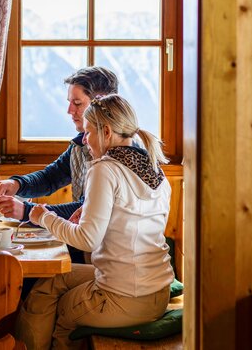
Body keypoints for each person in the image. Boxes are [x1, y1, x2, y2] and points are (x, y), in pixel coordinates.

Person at [15, 94, 174, 349]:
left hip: (125, 296)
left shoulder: (105, 168)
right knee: (53, 281)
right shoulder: (153, 167)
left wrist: (42, 216)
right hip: (157, 291)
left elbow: (88, 241)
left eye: (88, 133)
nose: (85, 140)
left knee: (63, 311)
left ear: (107, 132)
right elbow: (131, 222)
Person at [0, 66, 118, 225]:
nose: (69, 110)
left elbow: (88, 209)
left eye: (77, 103)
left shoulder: (120, 154)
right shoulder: (79, 145)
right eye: (70, 102)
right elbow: (50, 178)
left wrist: (27, 211)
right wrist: (16, 184)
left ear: (101, 103)